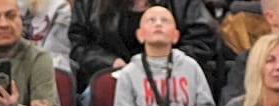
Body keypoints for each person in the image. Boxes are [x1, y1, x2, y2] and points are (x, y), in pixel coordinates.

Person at [68, 0, 215, 91]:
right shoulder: (89, 3)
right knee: (99, 95)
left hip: (170, 78)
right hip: (112, 77)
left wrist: (164, 63)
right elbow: (77, 42)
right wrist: (110, 62)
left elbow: (201, 40)